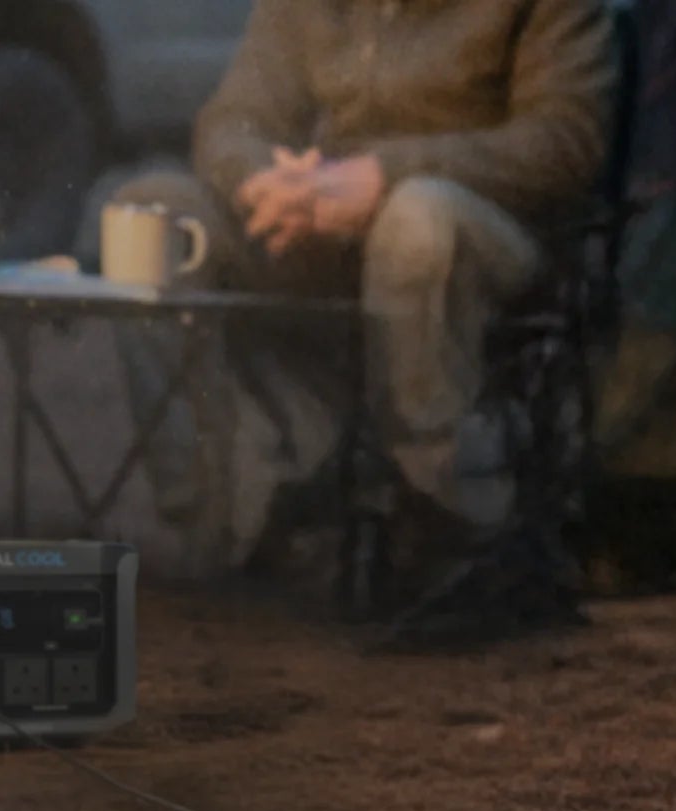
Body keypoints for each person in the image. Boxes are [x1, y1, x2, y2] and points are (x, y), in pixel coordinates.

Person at [106, 0, 615, 577]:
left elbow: (567, 139)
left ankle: (436, 516)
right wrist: (266, 185)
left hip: (484, 230)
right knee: (154, 215)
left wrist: (382, 175)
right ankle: (218, 526)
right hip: (325, 234)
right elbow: (233, 119)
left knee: (418, 217)